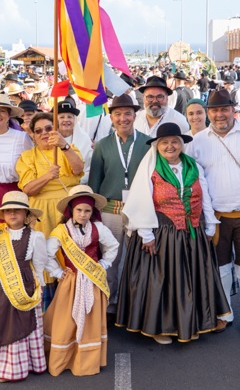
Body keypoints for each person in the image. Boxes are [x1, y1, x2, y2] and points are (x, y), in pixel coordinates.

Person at [116, 124, 230, 343]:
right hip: (163, 232)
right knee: (164, 280)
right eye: (165, 142)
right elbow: (141, 199)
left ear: (182, 144)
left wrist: (210, 224)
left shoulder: (192, 165)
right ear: (157, 146)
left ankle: (188, 324)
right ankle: (160, 327)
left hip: (192, 233)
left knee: (190, 278)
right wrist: (146, 234)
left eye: (175, 141)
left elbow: (203, 194)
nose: (170, 146)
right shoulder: (151, 167)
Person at [190, 88, 240, 339]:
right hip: (215, 219)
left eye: (224, 109)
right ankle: (224, 313)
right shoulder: (197, 142)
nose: (219, 115)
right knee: (221, 267)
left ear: (233, 110)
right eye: (214, 110)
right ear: (208, 112)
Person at [43, 186, 119, 376]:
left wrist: (103, 264)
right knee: (66, 320)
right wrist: (57, 272)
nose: (83, 214)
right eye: (79, 210)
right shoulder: (61, 230)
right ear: (71, 210)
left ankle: (86, 362)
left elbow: (113, 246)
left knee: (91, 320)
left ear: (92, 212)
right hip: (71, 282)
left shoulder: (98, 228)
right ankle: (63, 359)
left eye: (87, 211)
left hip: (93, 281)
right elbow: (46, 254)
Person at [86, 94, 149, 315]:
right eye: (118, 114)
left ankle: (134, 307)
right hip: (110, 211)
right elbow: (94, 182)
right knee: (110, 260)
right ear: (111, 117)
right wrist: (93, 215)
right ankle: (110, 306)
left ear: (135, 115)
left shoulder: (148, 142)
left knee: (138, 260)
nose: (123, 118)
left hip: (139, 210)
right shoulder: (102, 145)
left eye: (128, 114)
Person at [0, 191, 48, 382]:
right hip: (0, 284)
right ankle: (0, 368)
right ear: (3, 214)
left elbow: (40, 264)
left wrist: (39, 288)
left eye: (17, 211)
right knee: (0, 322)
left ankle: (24, 366)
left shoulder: (36, 236)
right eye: (8, 211)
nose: (13, 214)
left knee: (22, 323)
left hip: (24, 286)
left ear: (26, 214)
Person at [18, 115, 85, 242]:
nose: (44, 133)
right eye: (38, 131)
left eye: (48, 128)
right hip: (41, 211)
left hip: (67, 207)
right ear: (34, 135)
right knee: (44, 252)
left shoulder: (69, 148)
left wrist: (64, 146)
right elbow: (28, 189)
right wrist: (48, 176)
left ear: (57, 130)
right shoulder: (27, 156)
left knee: (70, 250)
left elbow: (78, 169)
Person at [56, 99, 92, 184]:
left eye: (69, 117)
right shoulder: (50, 139)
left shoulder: (84, 139)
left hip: (80, 184)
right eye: (62, 117)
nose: (66, 120)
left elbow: (88, 168)